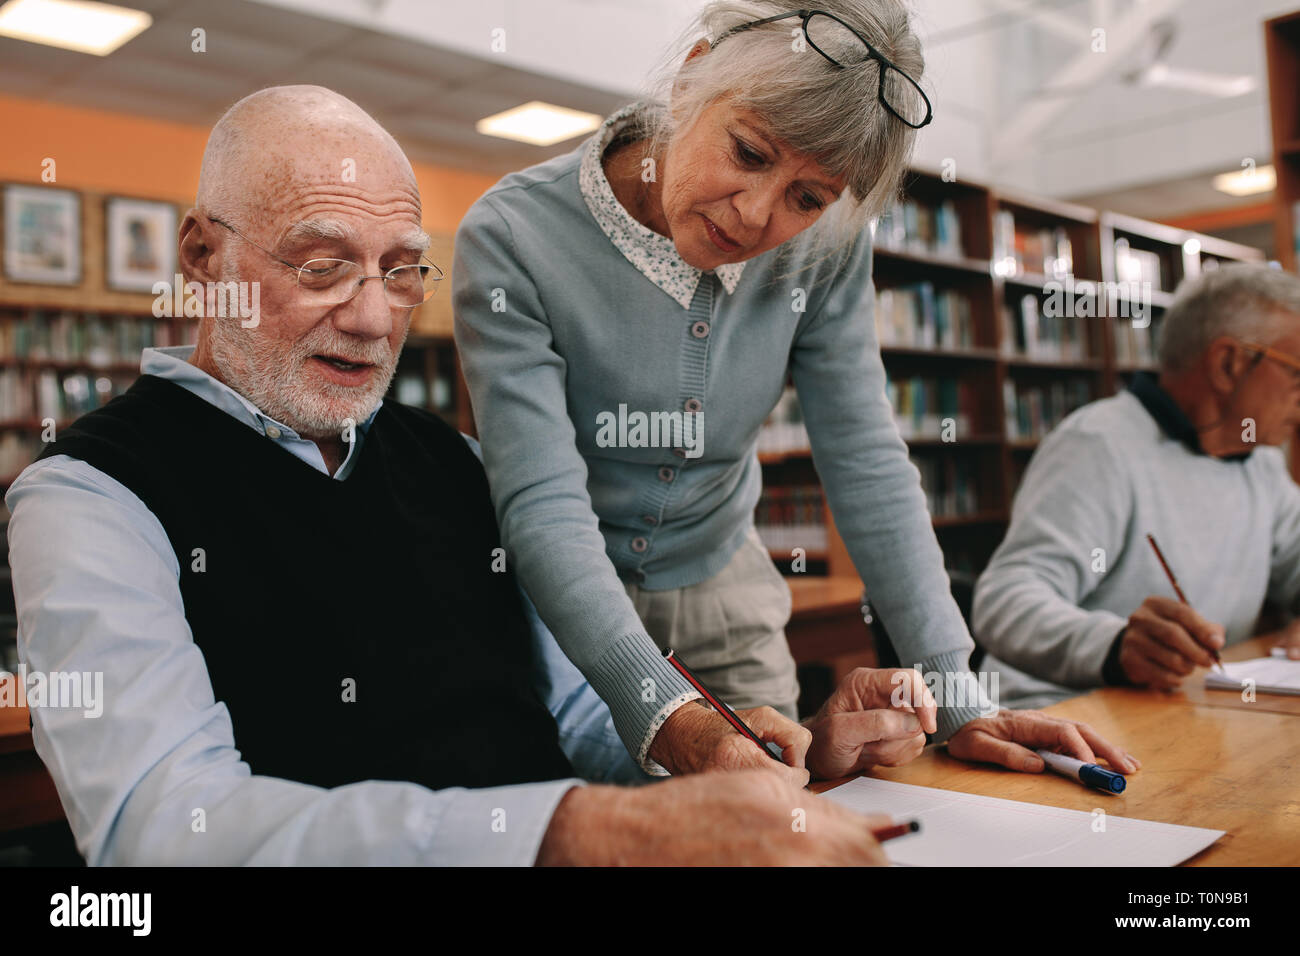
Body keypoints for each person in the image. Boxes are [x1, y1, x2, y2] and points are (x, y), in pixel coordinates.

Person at [8, 84, 931, 866]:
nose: (374, 319)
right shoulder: (90, 497)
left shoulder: (458, 463)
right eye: (324, 265)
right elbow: (164, 825)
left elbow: (583, 717)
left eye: (404, 271)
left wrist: (754, 760)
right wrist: (574, 831)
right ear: (204, 258)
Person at [453, 0, 1136, 779]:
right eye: (748, 153)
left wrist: (958, 693)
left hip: (723, 588)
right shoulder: (514, 235)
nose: (754, 216)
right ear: (690, 80)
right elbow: (542, 501)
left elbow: (866, 458)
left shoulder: (826, 247)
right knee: (584, 818)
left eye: (808, 198)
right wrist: (658, 709)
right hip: (547, 604)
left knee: (787, 808)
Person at [972, 264, 1300, 709]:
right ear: (1228, 364)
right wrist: (1115, 645)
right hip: (1062, 717)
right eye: (1297, 373)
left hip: (1184, 713)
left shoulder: (1259, 461)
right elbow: (1003, 603)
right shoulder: (1098, 445)